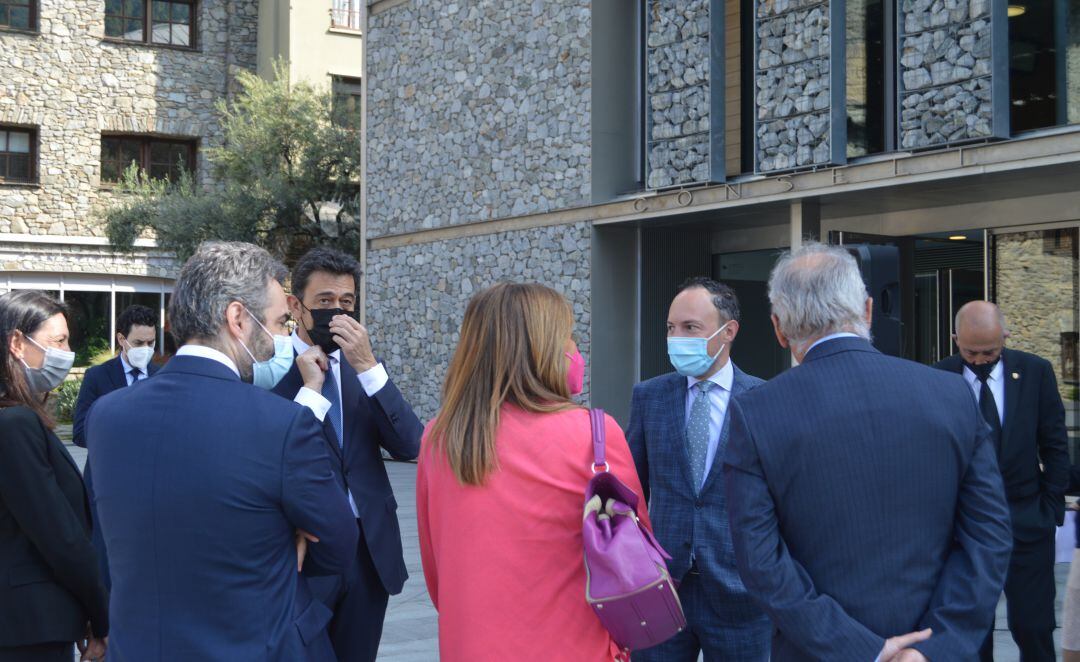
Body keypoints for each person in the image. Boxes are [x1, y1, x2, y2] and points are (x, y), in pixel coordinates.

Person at [724, 243, 1013, 661]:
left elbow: (761, 563)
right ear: (868, 310)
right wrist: (935, 646)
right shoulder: (951, 394)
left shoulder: (755, 413)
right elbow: (989, 536)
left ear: (779, 328)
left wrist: (864, 650)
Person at [85, 241, 358, 661]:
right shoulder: (280, 423)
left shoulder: (106, 416)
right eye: (278, 322)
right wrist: (286, 536)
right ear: (238, 318)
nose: (280, 337)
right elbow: (340, 541)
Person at [417, 282, 647, 661]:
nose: (575, 349)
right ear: (544, 348)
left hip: (472, 646)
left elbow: (435, 568)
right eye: (569, 336)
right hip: (576, 648)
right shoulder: (595, 434)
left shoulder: (439, 437)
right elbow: (634, 554)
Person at [272, 246, 423, 662]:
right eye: (324, 301)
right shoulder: (269, 369)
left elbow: (410, 444)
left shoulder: (365, 370)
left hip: (368, 551)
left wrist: (369, 367)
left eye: (347, 302)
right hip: (304, 552)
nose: (337, 312)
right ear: (295, 306)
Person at [626, 276, 771, 661]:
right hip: (662, 590)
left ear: (729, 332)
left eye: (690, 328)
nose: (677, 338)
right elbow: (630, 491)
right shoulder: (649, 397)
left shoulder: (764, 400)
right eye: (671, 328)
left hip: (740, 594)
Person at [934, 300, 1070, 662]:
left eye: (989, 352)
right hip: (963, 528)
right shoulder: (937, 377)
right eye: (970, 352)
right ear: (955, 340)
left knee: (1034, 626)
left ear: (1005, 337)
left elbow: (1055, 445)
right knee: (972, 633)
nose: (980, 360)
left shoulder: (1036, 372)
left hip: (1027, 521)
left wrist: (1050, 510)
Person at [0, 290, 108, 662]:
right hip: (29, 628)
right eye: (58, 341)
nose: (67, 352)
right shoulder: (14, 423)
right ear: (17, 343)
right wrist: (101, 613)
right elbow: (60, 536)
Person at [72, 303, 160, 590]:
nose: (145, 349)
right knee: (105, 561)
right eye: (139, 343)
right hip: (106, 485)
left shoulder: (162, 377)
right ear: (122, 339)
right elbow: (79, 432)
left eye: (151, 343)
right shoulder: (98, 376)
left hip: (150, 485)